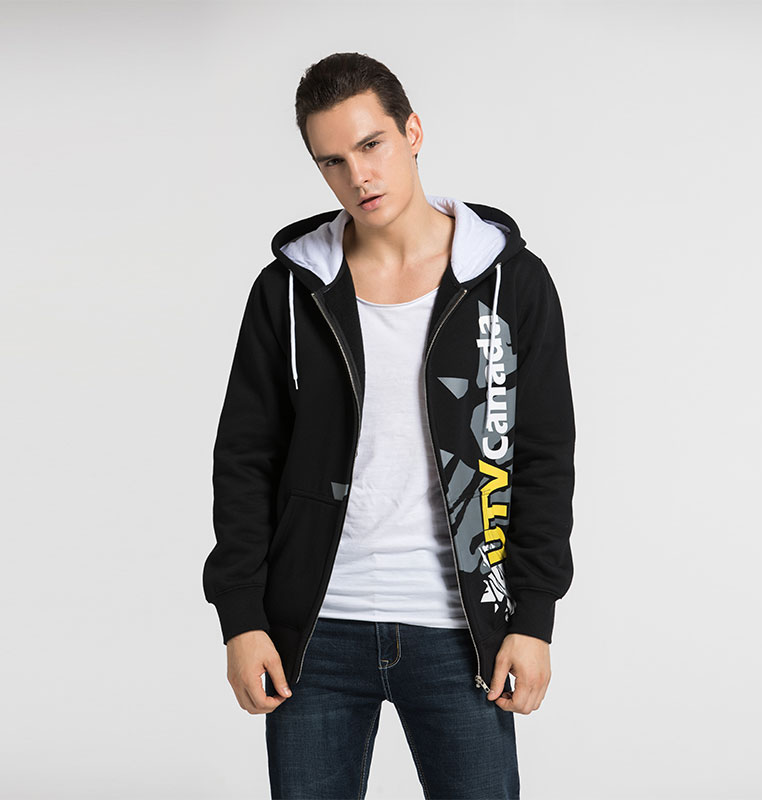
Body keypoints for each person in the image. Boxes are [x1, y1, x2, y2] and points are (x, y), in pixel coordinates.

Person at [202, 51, 576, 800]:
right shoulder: (289, 290)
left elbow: (543, 457)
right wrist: (241, 617)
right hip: (314, 632)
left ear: (412, 133)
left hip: (463, 629)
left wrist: (533, 618)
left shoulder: (509, 282)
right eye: (332, 162)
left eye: (371, 145)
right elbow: (245, 457)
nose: (358, 176)